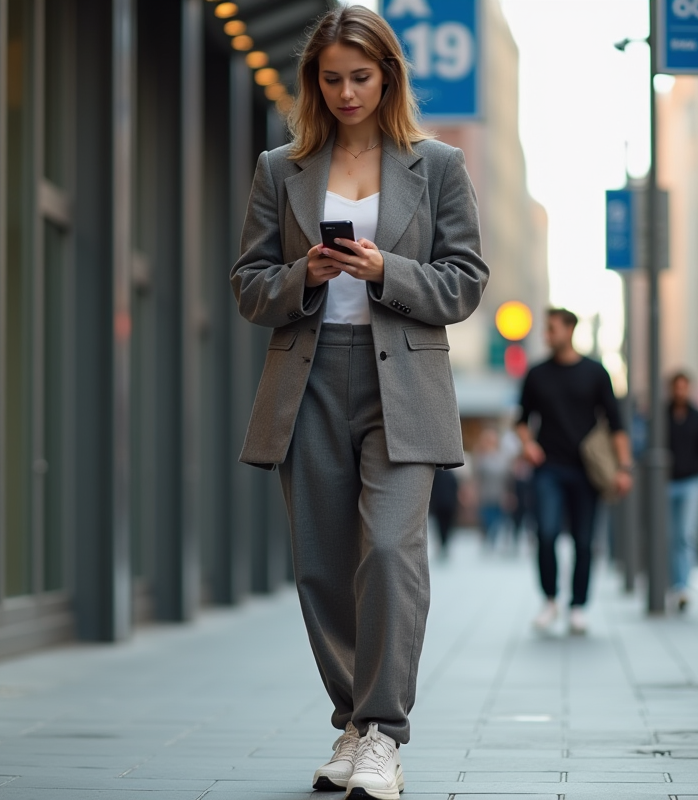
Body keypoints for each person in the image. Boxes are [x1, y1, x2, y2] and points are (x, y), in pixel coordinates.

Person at [230, 7, 489, 797]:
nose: (346, 92)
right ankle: (354, 723)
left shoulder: (436, 165)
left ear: (388, 77)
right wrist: (303, 276)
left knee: (387, 555)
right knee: (321, 568)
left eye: (361, 77)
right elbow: (247, 287)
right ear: (315, 81)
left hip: (403, 385)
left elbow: (465, 283)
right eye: (332, 78)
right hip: (306, 381)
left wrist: (384, 270)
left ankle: (384, 731)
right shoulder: (282, 168)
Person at [515, 309, 632, 635]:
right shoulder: (536, 374)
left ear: (569, 329)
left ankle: (578, 606)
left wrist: (623, 467)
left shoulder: (595, 372)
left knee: (584, 540)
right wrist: (527, 445)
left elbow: (617, 425)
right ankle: (550, 600)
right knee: (547, 534)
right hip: (548, 467)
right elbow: (521, 420)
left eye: (551, 329)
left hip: (587, 471)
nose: (546, 335)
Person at [666, 371, 698, 612]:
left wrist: (695, 469)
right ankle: (671, 583)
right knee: (667, 535)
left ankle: (682, 586)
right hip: (665, 483)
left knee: (685, 534)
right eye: (677, 387)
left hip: (690, 482)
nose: (680, 392)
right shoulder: (662, 416)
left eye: (684, 387)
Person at [473, 427, 511, 548]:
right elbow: (476, 477)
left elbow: (508, 478)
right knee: (486, 521)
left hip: (499, 495)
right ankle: (487, 541)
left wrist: (509, 493)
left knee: (498, 521)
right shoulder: (480, 457)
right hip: (485, 495)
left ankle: (494, 542)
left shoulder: (503, 457)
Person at [428, 467, 459, 559]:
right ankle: (445, 543)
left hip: (440, 505)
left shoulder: (436, 475)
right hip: (449, 504)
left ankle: (443, 543)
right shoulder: (451, 475)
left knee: (441, 525)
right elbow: (455, 488)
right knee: (447, 525)